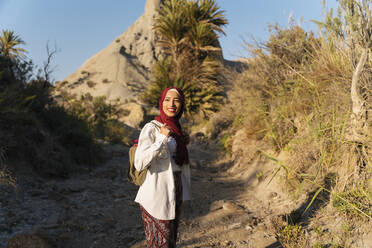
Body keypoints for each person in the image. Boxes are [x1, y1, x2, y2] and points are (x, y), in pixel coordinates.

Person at [134, 87, 191, 248]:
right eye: (167, 99)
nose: (171, 104)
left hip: (176, 189)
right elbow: (140, 163)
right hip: (156, 193)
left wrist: (182, 141)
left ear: (182, 105)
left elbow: (177, 160)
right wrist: (161, 139)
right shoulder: (152, 128)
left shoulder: (177, 129)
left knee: (171, 241)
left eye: (177, 100)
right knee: (159, 244)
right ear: (161, 102)